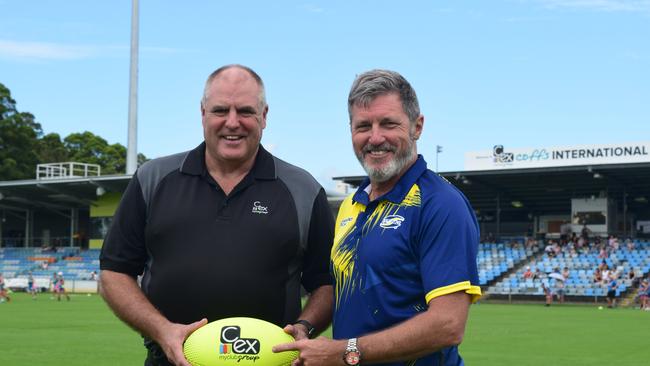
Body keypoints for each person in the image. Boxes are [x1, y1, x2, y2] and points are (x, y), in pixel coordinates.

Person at [99, 65, 335, 366]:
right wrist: (162, 331)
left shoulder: (303, 189)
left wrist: (305, 327)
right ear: (203, 113)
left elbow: (327, 283)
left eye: (246, 111)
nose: (232, 123)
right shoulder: (153, 178)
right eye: (221, 110)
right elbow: (114, 271)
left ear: (264, 116)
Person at [273, 69, 481, 365]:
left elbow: (448, 325)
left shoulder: (440, 204)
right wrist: (306, 327)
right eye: (363, 126)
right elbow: (344, 288)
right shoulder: (350, 206)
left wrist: (343, 352)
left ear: (417, 126)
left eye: (388, 124)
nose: (375, 138)